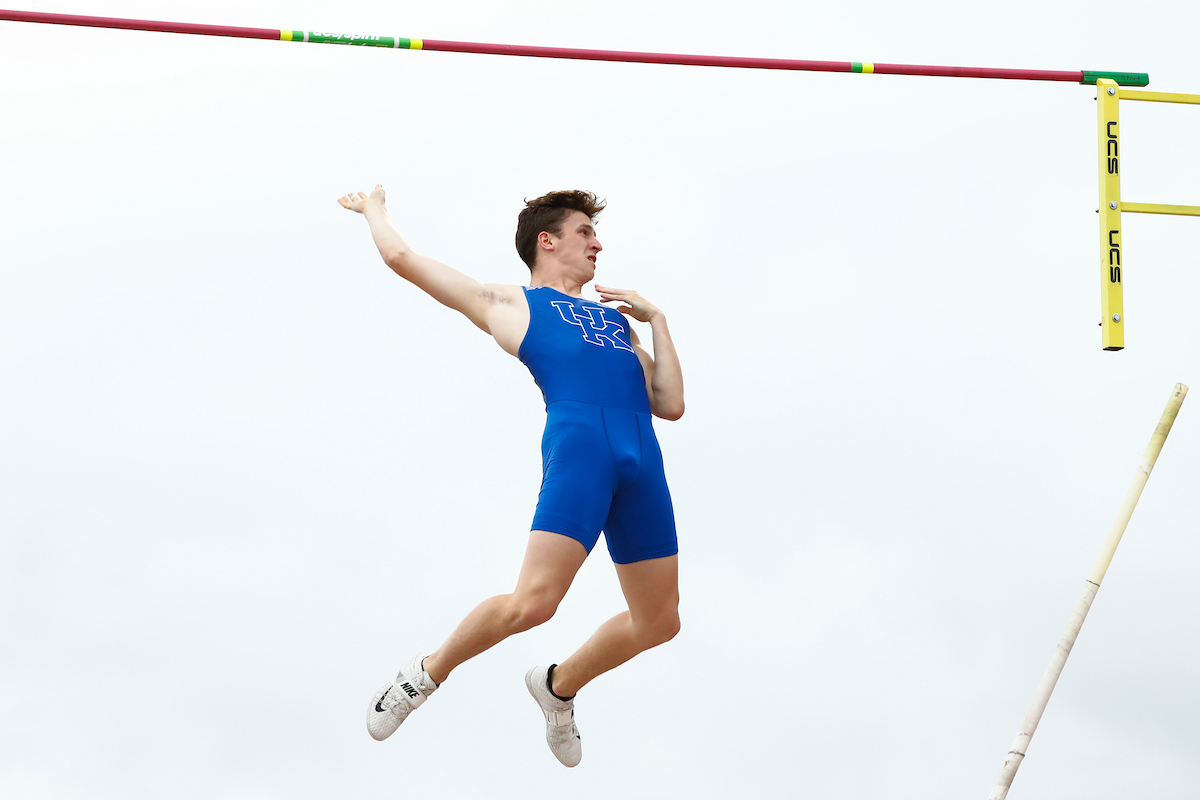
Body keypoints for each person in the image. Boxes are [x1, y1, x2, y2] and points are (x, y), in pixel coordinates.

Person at [337, 185, 684, 767]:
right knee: (532, 605)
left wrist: (660, 323)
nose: (598, 245)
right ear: (546, 241)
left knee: (660, 622)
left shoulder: (617, 325)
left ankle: (558, 686)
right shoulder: (511, 304)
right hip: (581, 455)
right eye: (585, 233)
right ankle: (424, 675)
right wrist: (375, 210)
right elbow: (403, 260)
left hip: (642, 461)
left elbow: (669, 403)